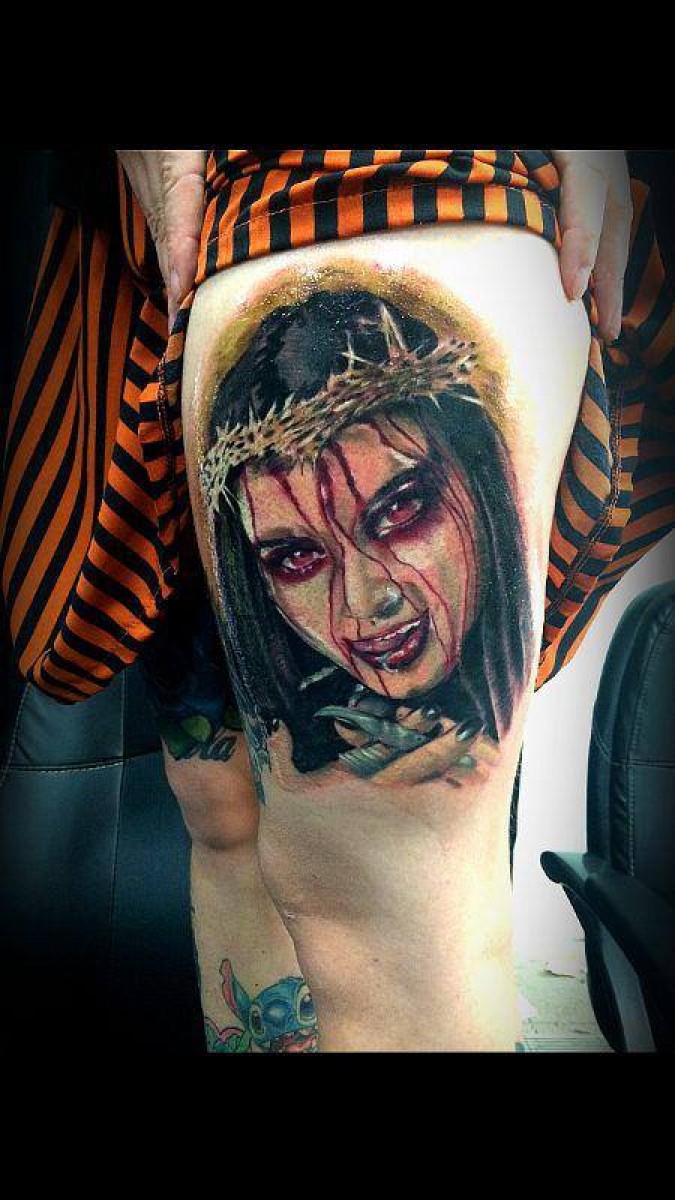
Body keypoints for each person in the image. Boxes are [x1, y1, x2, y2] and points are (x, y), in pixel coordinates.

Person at [2, 149, 672, 1051]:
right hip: (164, 239)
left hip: (379, 178)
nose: (363, 606)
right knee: (224, 810)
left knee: (394, 928)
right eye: (294, 556)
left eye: (400, 510)